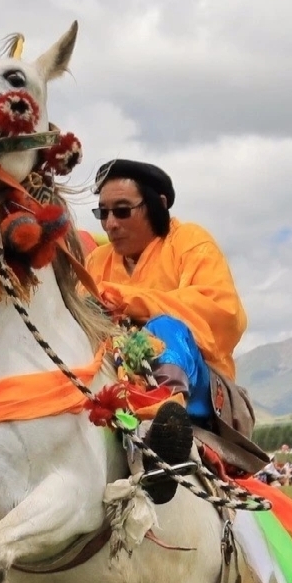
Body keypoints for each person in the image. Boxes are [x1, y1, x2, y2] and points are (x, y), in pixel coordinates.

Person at [85, 159, 247, 501]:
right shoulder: (97, 262)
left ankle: (164, 429)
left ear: (158, 205)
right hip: (119, 388)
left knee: (165, 328)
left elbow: (223, 313)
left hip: (201, 388)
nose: (111, 223)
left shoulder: (191, 242)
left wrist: (125, 299)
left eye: (122, 211)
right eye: (103, 213)